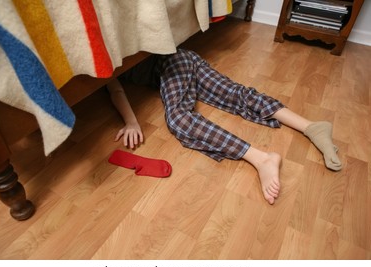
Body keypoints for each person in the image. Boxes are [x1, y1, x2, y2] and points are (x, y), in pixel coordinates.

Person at [107, 48, 342, 204]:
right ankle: (313, 127)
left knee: (179, 117)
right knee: (235, 94)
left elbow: (117, 88)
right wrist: (131, 121)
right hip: (186, 58)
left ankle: (262, 159)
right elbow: (114, 87)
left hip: (173, 62)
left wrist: (131, 122)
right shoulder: (103, 60)